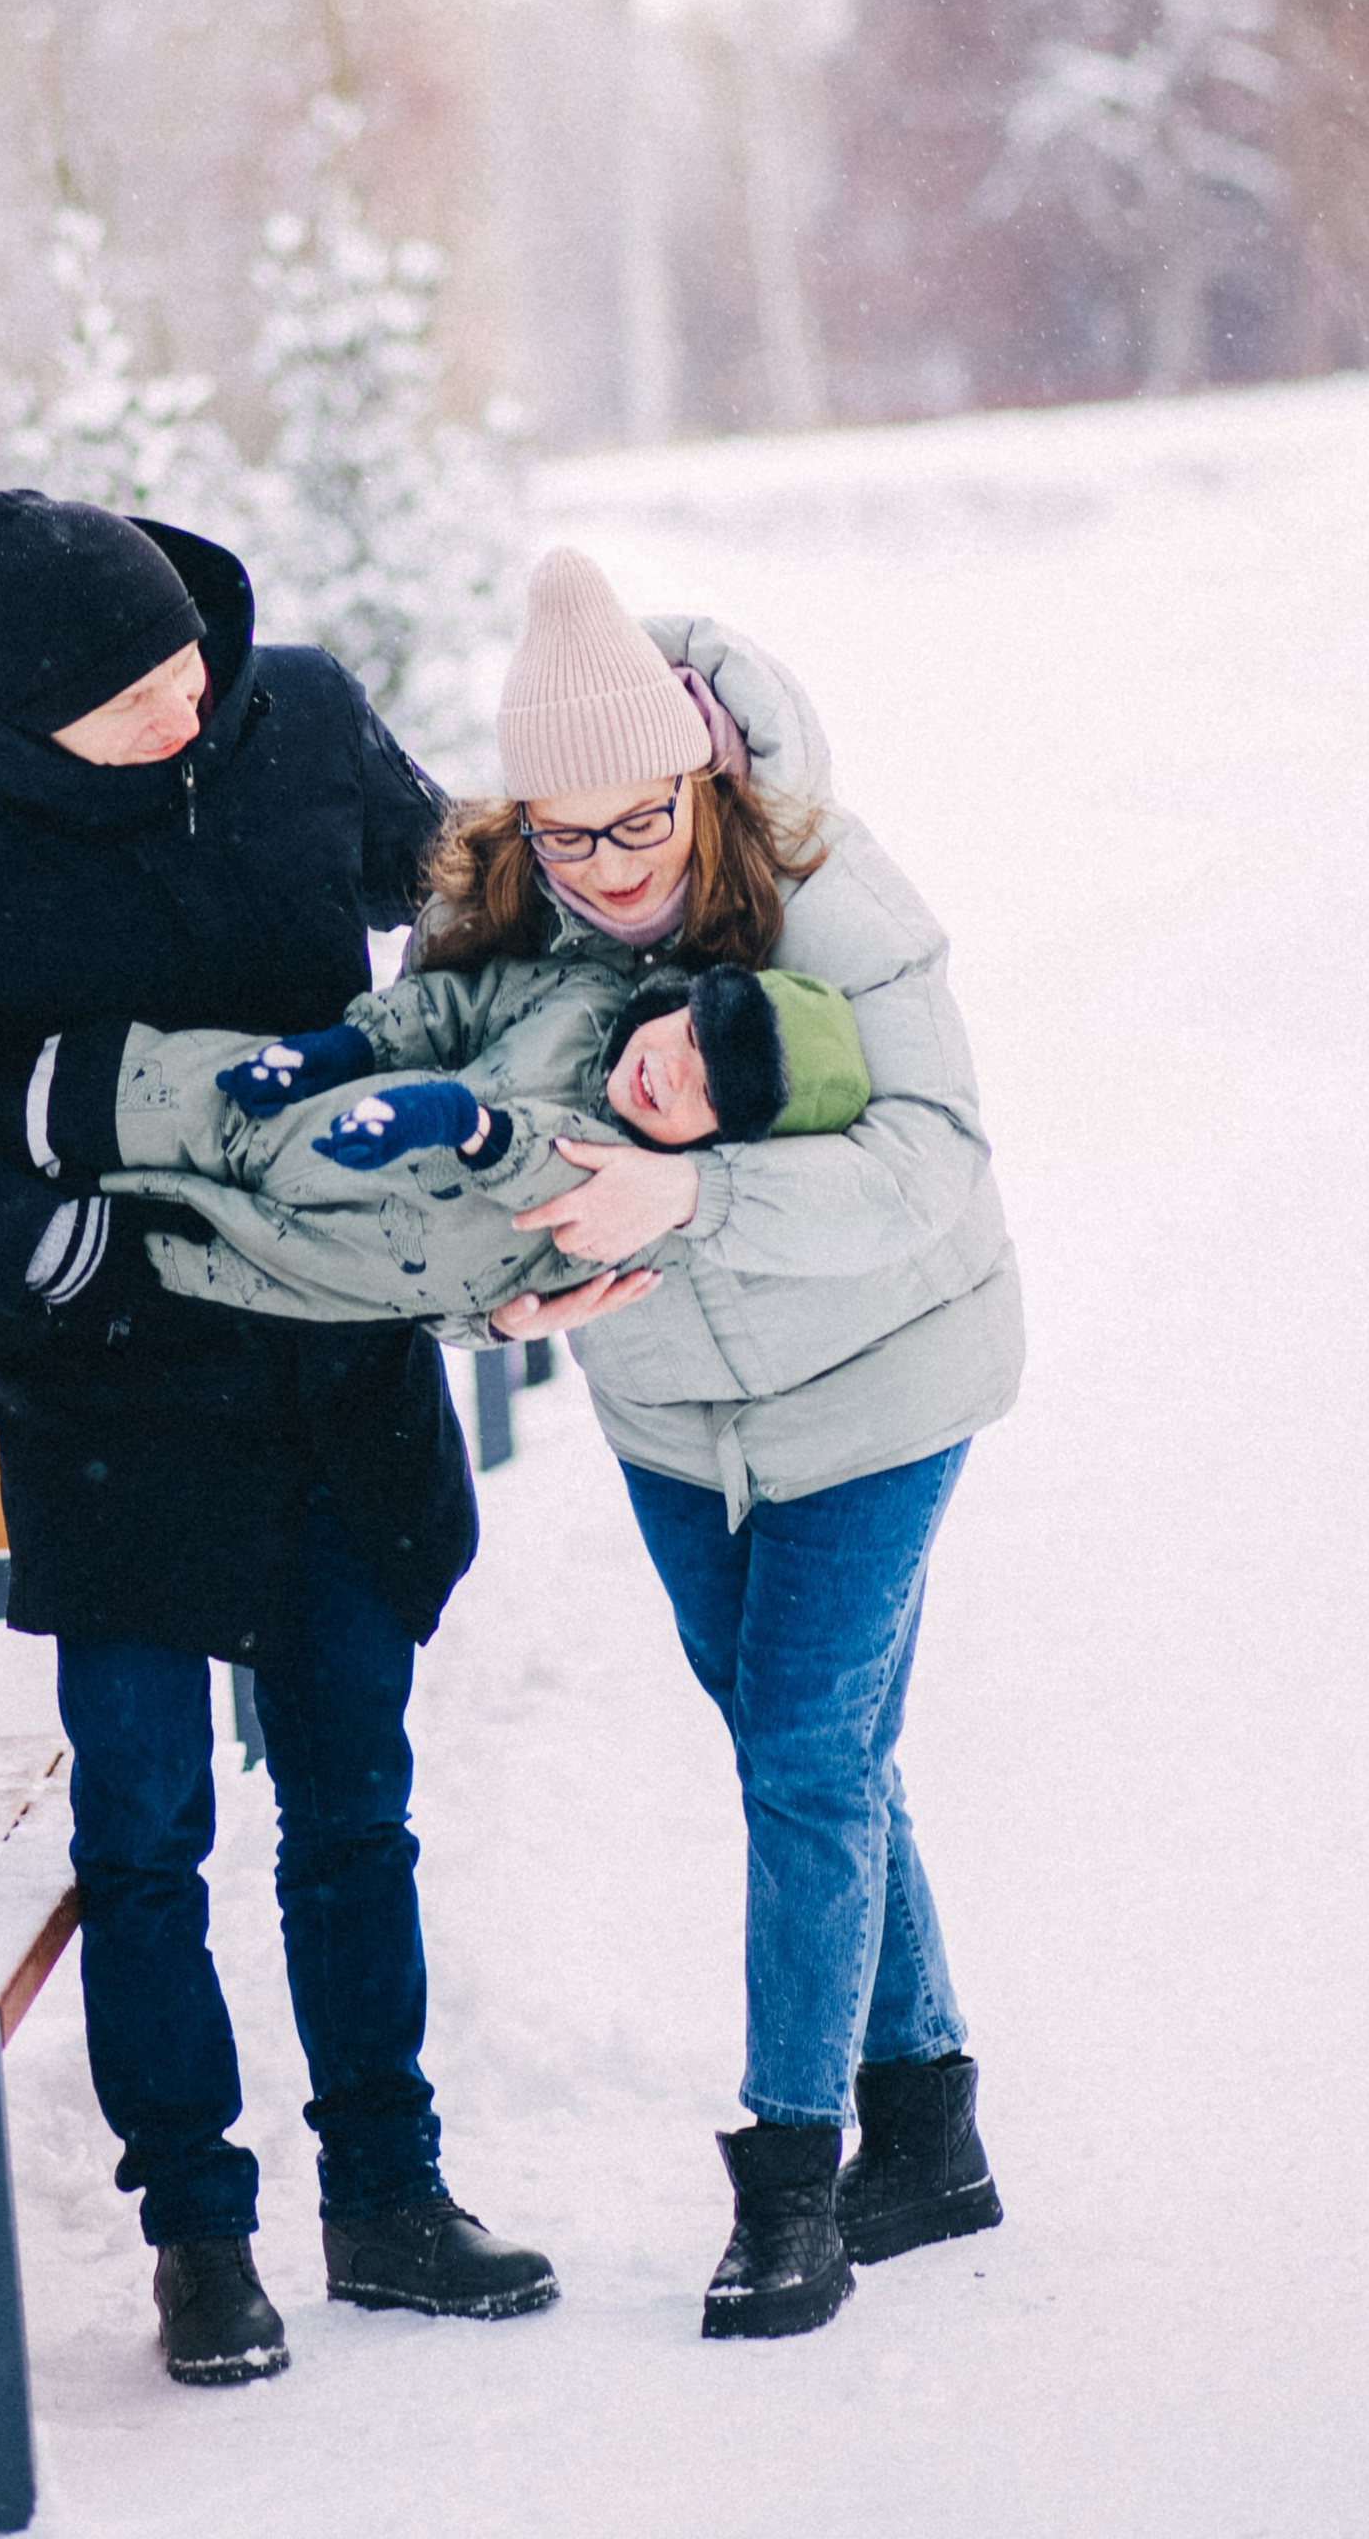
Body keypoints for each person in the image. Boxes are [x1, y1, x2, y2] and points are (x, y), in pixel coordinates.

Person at [0, 488, 559, 2389]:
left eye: (192, 672)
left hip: (335, 1374)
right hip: (116, 1392)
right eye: (137, 710)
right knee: (147, 1840)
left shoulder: (292, 721)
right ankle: (200, 2238)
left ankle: (388, 2194)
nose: (187, 718)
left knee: (355, 1812)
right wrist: (15, 1234)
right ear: (38, 723)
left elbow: (472, 916)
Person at [399, 542, 1025, 2344]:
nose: (607, 871)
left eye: (639, 826)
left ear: (701, 779)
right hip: (678, 1423)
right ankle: (932, 2127)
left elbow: (934, 1163)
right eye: (566, 836)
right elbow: (471, 1183)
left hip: (883, 1383)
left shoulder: (823, 887)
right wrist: (495, 1307)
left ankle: (795, 2183)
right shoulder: (513, 929)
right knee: (798, 1742)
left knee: (805, 1759)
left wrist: (690, 1194)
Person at [0, 958, 871, 1339]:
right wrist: (342, 1043)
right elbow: (457, 1003)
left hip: (312, 1256)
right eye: (686, 1040)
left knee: (105, 1251)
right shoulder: (587, 1001)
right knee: (127, 1094)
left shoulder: (635, 1196)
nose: (668, 1074)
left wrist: (467, 1127)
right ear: (678, 1002)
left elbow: (540, 1168)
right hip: (314, 1120)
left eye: (702, 1097)